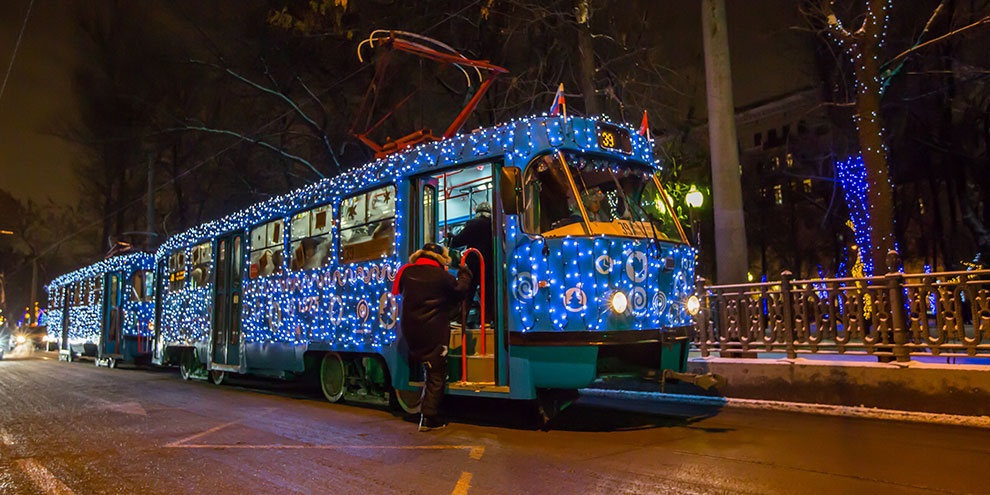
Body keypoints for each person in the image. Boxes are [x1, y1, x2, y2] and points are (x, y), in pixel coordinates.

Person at [391, 242, 473, 432]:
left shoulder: (405, 271)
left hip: (410, 330)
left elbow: (396, 291)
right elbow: (460, 291)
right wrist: (465, 273)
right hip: (433, 331)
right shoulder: (442, 276)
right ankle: (429, 417)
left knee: (429, 368)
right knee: (436, 374)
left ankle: (425, 408)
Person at [449, 202, 494, 324]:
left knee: (468, 293)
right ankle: (487, 321)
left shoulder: (472, 224)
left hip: (473, 263)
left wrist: (451, 237)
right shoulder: (494, 225)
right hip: (490, 265)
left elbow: (458, 241)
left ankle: (461, 319)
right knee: (488, 295)